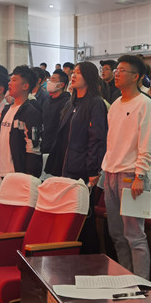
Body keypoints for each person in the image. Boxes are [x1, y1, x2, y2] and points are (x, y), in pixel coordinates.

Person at [101, 55, 151, 278]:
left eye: (122, 70)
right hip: (111, 173)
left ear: (136, 77)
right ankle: (126, 280)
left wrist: (140, 175)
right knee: (117, 234)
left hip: (131, 175)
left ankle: (142, 285)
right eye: (116, 70)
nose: (117, 73)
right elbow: (112, 142)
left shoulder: (145, 103)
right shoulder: (115, 104)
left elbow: (147, 142)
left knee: (134, 235)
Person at [44, 61, 108, 253]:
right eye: (74, 72)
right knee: (68, 216)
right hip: (66, 167)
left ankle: (90, 259)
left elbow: (97, 138)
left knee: (84, 219)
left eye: (78, 73)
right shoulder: (71, 103)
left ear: (89, 77)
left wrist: (93, 170)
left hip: (82, 168)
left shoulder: (96, 103)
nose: (73, 75)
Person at [0, 66, 43, 177]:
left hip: (17, 173)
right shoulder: (6, 109)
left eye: (14, 80)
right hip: (1, 171)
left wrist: (29, 174)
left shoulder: (30, 112)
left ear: (25, 86)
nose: (9, 83)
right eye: (10, 80)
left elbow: (33, 146)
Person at [41, 70, 70, 155]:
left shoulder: (67, 103)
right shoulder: (48, 101)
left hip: (57, 148)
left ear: (61, 85)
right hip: (44, 144)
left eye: (53, 80)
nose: (49, 82)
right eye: (49, 79)